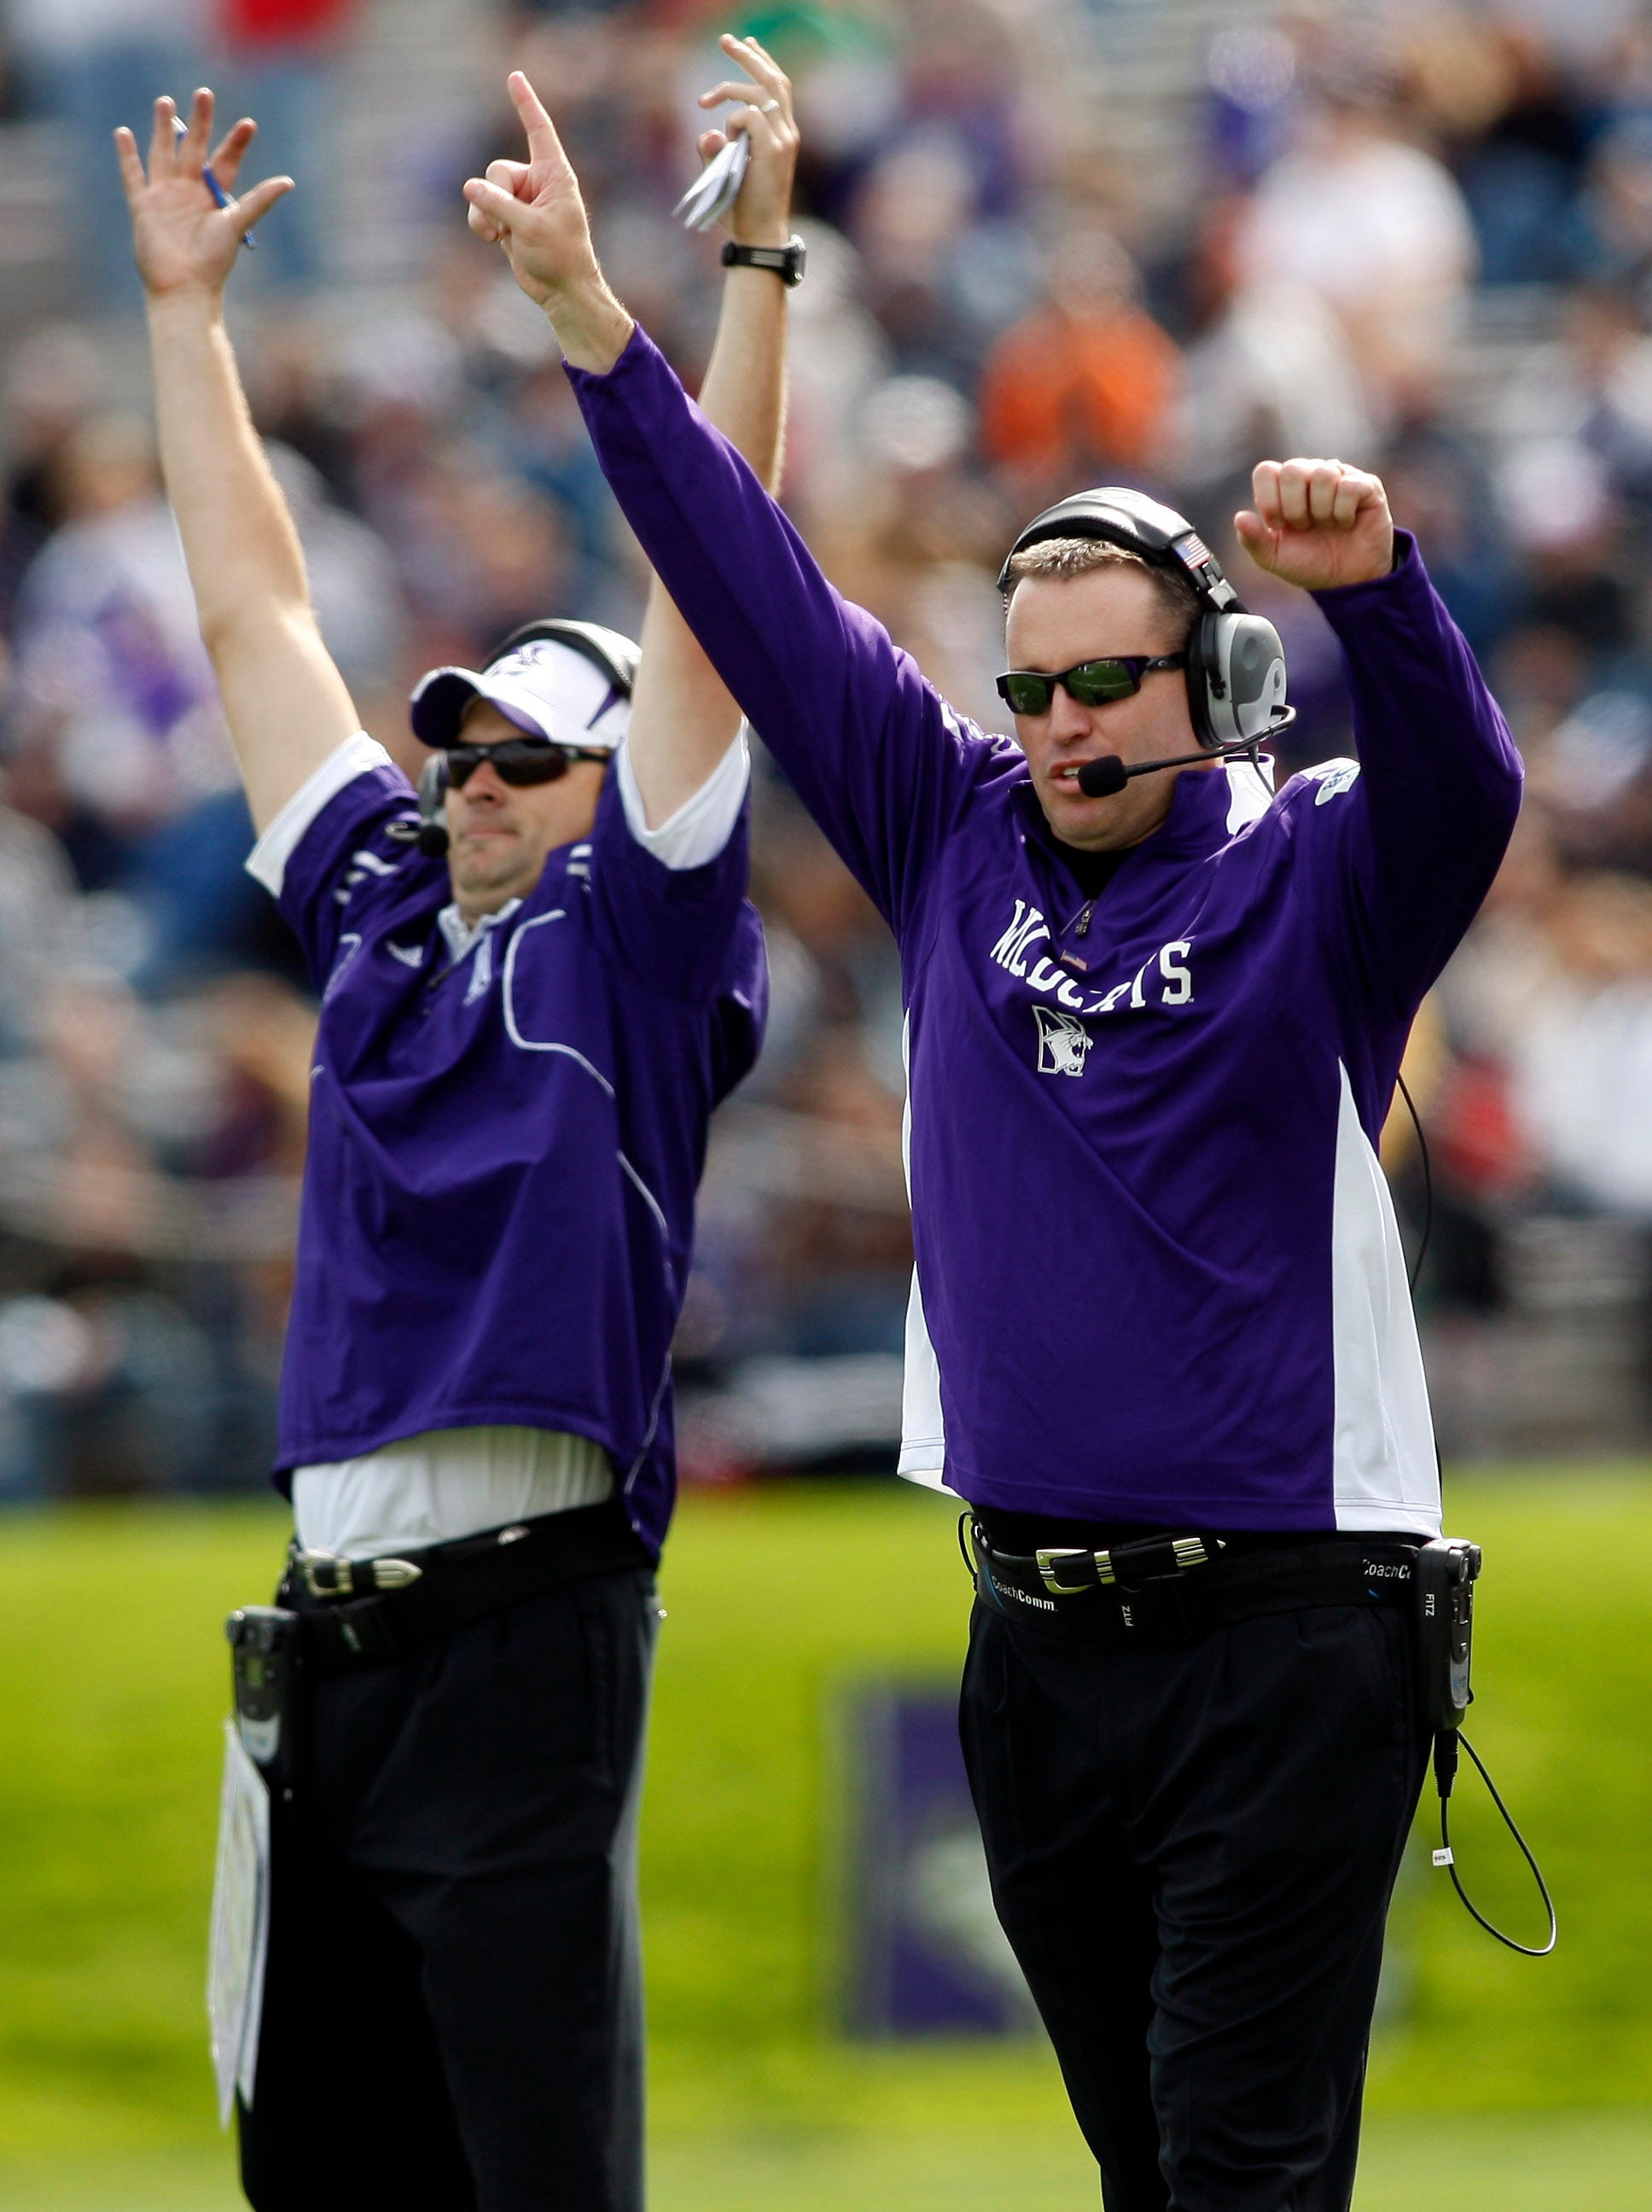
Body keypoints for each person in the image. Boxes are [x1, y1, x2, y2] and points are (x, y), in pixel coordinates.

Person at [458, 73, 1524, 2212]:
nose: (1058, 727)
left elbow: (1468, 797)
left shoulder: (1309, 866)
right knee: (1146, 2171)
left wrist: (1385, 593)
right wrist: (593, 318)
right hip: (1032, 1645)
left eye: (1107, 687)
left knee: (1235, 2173)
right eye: (1030, 690)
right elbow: (747, 588)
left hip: (1282, 1634)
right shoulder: (953, 823)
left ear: (1210, 676)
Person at [117, 47, 798, 2212]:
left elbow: (724, 594)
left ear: (617, 784)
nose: (481, 775)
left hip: (526, 1624)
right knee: (320, 2168)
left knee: (531, 2174)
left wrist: (747, 270)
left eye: (532, 751)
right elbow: (256, 616)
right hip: (325, 1635)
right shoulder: (381, 905)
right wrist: (181, 323)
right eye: (463, 747)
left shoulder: (647, 932)